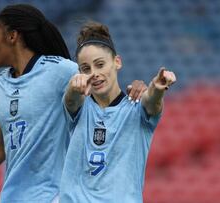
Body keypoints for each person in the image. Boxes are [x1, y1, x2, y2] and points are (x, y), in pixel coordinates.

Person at [0, 4, 146, 203]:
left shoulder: (60, 70)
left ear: (12, 36)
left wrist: (137, 89)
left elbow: (104, 90)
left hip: (54, 195)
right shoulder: (0, 85)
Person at [59, 22, 176, 203]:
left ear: (117, 62)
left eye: (100, 64)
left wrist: (157, 88)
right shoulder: (79, 108)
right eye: (86, 69)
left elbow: (151, 101)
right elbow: (71, 99)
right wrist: (74, 87)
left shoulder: (136, 109)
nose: (94, 73)